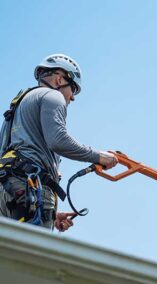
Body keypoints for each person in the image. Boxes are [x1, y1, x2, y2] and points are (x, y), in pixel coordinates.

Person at [0, 54, 118, 231]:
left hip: (6, 190)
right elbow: (58, 141)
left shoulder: (16, 108)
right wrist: (100, 157)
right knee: (34, 256)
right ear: (59, 79)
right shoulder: (52, 97)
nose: (72, 97)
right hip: (28, 187)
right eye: (73, 89)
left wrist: (52, 215)